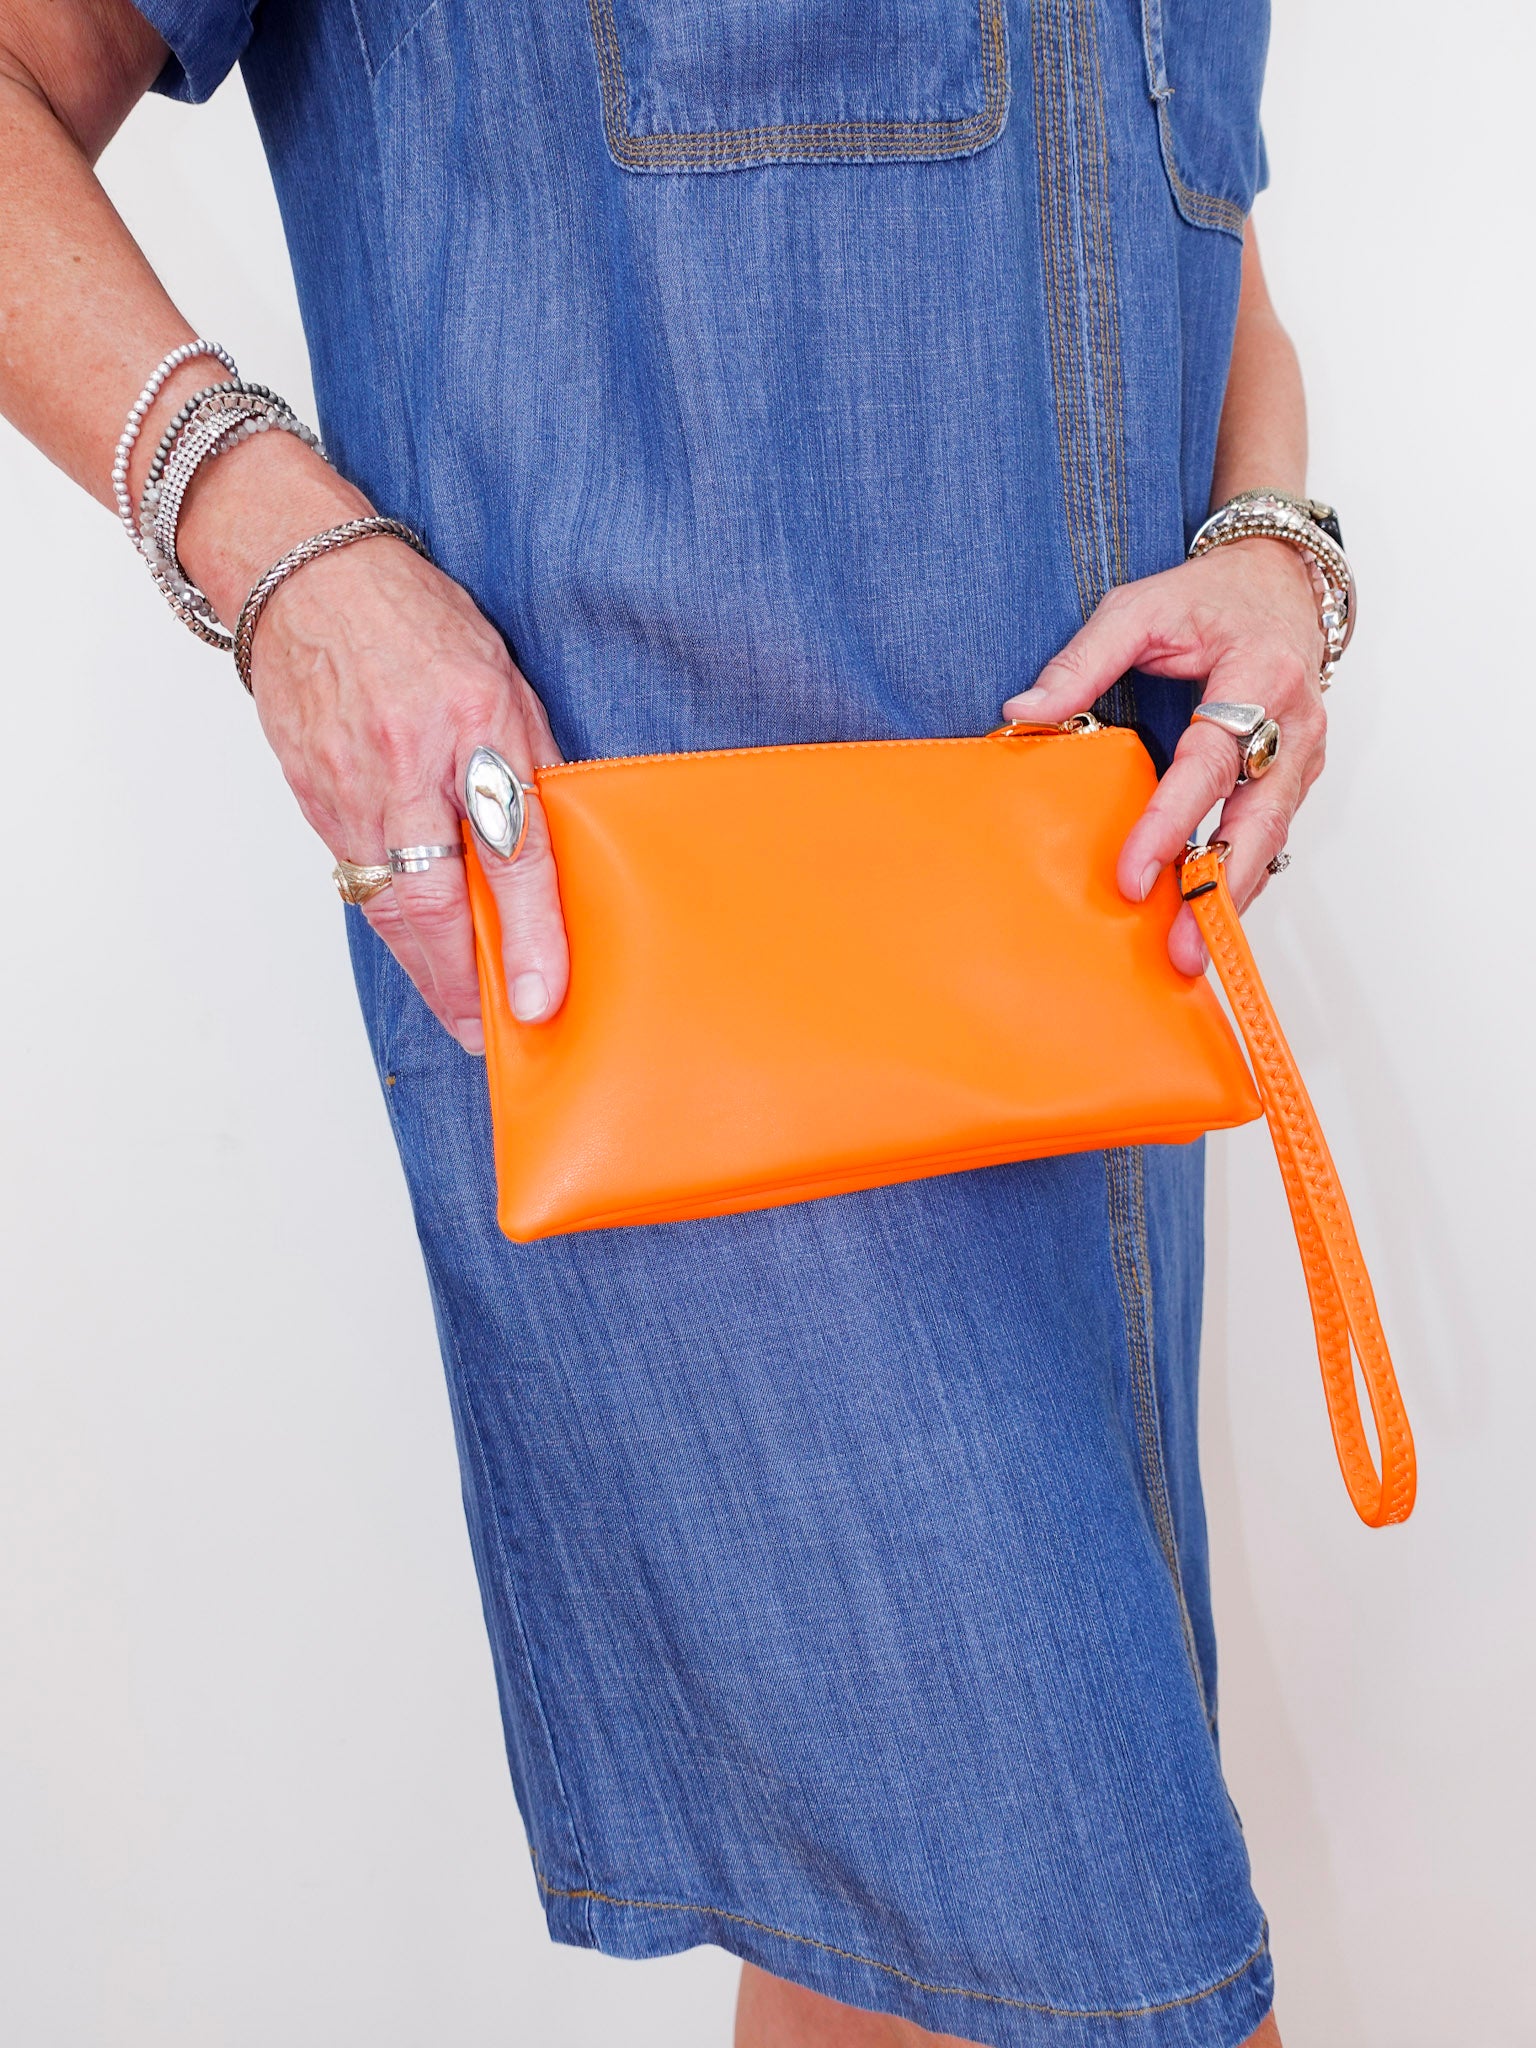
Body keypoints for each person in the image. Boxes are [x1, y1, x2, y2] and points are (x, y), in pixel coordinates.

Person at [0, 0, 1337, 2039]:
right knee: (1103, 1975)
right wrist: (286, 562)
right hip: (677, 1014)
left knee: (880, 1964)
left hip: (1092, 993)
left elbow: (1171, 195)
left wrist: (1273, 533)